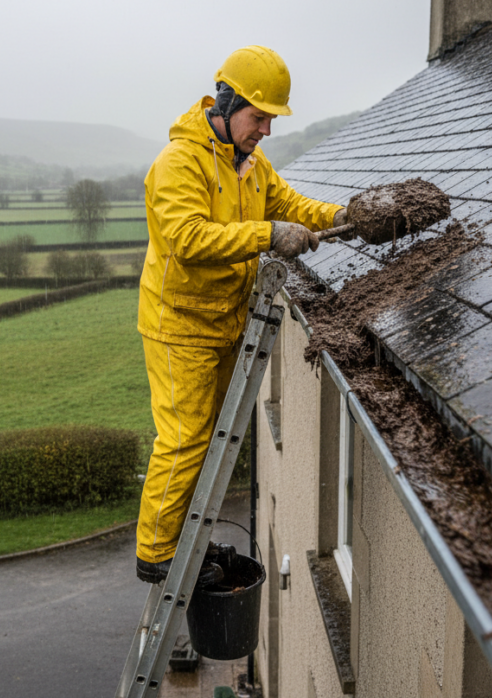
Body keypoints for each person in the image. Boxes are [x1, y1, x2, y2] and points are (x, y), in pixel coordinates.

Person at [135, 45, 350, 585]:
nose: (267, 130)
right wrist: (267, 235)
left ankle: (189, 538)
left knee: (211, 440)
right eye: (259, 118)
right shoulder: (178, 164)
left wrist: (345, 215)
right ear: (226, 103)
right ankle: (156, 553)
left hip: (224, 320)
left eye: (271, 119)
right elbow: (187, 239)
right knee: (184, 438)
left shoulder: (252, 166)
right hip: (180, 324)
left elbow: (293, 206)